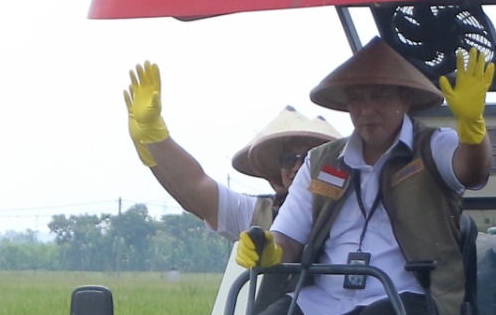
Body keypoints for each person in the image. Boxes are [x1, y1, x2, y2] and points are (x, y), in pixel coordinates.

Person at [236, 38, 494, 315]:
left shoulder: (433, 147)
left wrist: (472, 128)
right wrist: (268, 249)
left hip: (407, 298)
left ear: (406, 99)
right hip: (322, 301)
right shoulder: (320, 162)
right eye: (356, 99)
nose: (366, 110)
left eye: (379, 96)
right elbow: (288, 239)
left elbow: (472, 171)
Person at [122, 62, 338, 238]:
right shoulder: (261, 216)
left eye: (311, 158)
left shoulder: (357, 213)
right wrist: (155, 139)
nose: (298, 167)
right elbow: (194, 188)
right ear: (278, 171)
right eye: (290, 159)